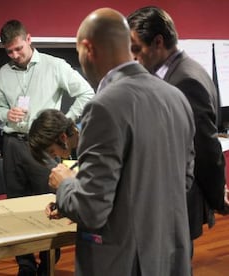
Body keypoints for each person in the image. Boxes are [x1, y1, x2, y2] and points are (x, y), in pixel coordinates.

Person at [47, 8, 195, 275]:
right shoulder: (177, 98)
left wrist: (65, 185)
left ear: (87, 48)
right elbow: (183, 181)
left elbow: (92, 210)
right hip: (172, 256)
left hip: (125, 263)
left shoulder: (103, 106)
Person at [0, 19, 94, 276]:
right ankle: (25, 266)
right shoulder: (4, 73)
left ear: (29, 39)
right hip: (13, 145)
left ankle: (47, 263)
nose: (15, 56)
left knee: (52, 205)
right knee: (15, 207)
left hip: (46, 148)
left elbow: (86, 93)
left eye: (18, 49)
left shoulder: (55, 65)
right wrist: (7, 115)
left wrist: (64, 125)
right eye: (9, 51)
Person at [127, 6, 228, 256]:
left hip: (175, 203)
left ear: (158, 42)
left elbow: (205, 147)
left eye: (136, 48)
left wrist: (218, 198)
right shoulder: (180, 72)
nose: (133, 57)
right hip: (168, 202)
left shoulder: (184, 81)